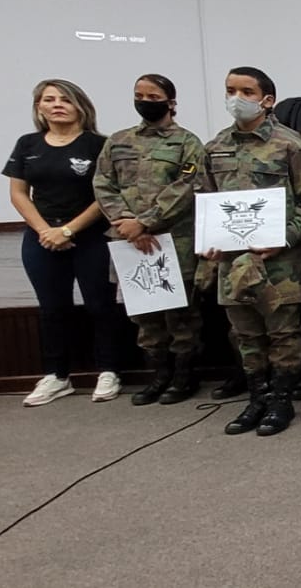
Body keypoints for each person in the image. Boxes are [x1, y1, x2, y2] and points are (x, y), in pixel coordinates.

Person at [199, 66, 301, 436]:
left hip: (280, 262)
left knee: (284, 335)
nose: (237, 98)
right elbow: (204, 200)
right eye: (230, 90)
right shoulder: (215, 147)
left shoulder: (290, 145)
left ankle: (281, 402)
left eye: (246, 91)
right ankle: (256, 398)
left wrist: (284, 237)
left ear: (267, 100)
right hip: (233, 263)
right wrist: (209, 243)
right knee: (245, 335)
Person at [93, 74, 206, 406]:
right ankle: (158, 375)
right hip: (128, 240)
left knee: (180, 315)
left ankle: (184, 377)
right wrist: (127, 224)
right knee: (145, 316)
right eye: (139, 95)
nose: (145, 100)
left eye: (153, 95)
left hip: (174, 241)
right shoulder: (117, 141)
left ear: (171, 102)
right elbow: (103, 183)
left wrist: (145, 222)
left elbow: (186, 188)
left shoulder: (187, 143)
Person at [5, 79, 118, 406]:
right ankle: (56, 375)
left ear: (80, 105)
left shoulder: (99, 144)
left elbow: (105, 197)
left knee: (101, 305)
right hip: (41, 237)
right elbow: (18, 194)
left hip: (91, 236)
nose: (57, 104)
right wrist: (46, 231)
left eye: (64, 99)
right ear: (38, 107)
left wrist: (68, 231)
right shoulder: (27, 144)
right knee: (52, 308)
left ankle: (109, 370)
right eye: (48, 99)